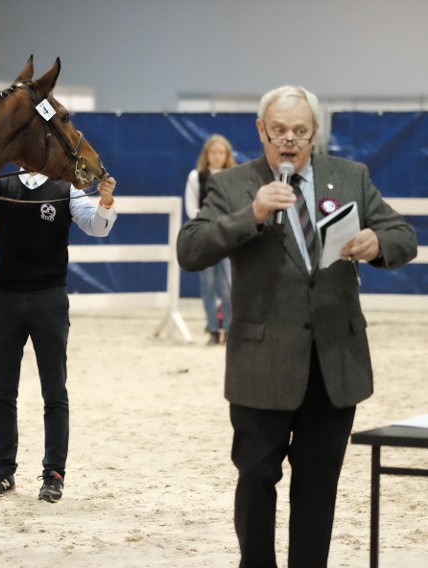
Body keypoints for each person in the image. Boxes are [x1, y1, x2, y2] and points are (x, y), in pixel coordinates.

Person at [177, 85, 417, 566]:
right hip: (260, 367)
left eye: (300, 131)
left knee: (318, 489)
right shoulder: (233, 185)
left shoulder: (350, 177)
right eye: (280, 130)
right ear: (261, 131)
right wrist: (254, 213)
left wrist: (377, 243)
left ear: (315, 133)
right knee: (256, 482)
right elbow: (192, 248)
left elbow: (404, 236)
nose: (290, 140)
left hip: (334, 365)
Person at [0, 169, 118, 503]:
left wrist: (106, 201)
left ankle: (54, 474)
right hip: (4, 298)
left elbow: (97, 227)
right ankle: (3, 472)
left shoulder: (66, 190)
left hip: (48, 299)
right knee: (2, 391)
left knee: (54, 391)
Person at [184, 134, 237, 345]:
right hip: (205, 237)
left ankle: (229, 329)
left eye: (221, 152)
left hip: (227, 237)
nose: (217, 156)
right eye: (213, 152)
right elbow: (191, 206)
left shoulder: (234, 176)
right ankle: (214, 330)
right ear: (207, 155)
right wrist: (206, 224)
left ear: (227, 155)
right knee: (208, 286)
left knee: (229, 287)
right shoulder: (196, 177)